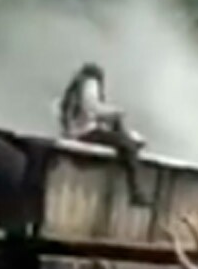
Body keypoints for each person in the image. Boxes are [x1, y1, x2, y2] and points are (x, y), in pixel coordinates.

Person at [58, 63, 149, 206]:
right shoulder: (90, 83)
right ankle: (135, 191)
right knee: (126, 143)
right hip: (84, 134)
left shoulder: (76, 87)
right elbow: (92, 108)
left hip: (75, 133)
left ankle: (129, 143)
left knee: (123, 140)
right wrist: (116, 112)